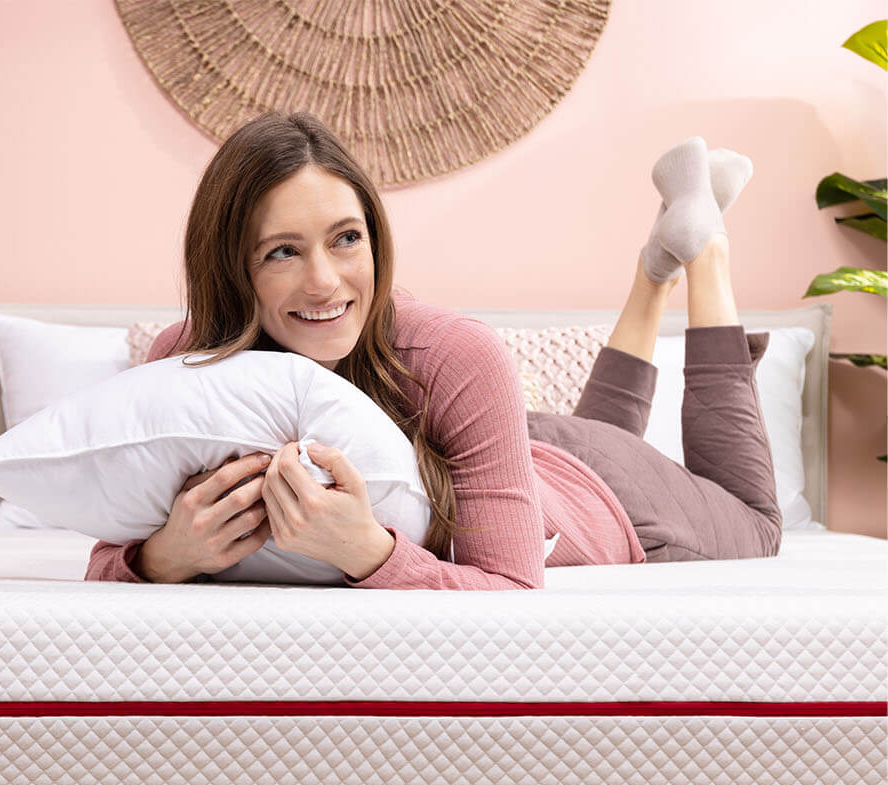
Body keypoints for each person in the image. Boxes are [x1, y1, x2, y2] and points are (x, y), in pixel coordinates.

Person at [86, 112, 781, 590]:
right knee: (599, 435)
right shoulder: (187, 358)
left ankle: (704, 253)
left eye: (346, 238)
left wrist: (370, 554)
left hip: (612, 502)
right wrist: (164, 555)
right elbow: (111, 555)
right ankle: (654, 270)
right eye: (282, 252)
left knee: (758, 525)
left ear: (376, 238)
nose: (326, 281)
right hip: (521, 457)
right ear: (231, 267)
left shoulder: (452, 351)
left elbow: (510, 585)